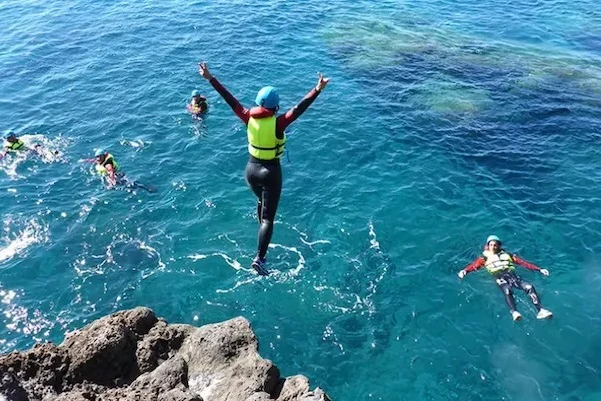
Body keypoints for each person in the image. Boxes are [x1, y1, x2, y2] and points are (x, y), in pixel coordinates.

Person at [198, 61, 330, 275]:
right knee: (269, 219)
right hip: (270, 173)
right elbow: (299, 108)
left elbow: (229, 99)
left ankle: (260, 221)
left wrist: (210, 77)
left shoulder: (246, 116)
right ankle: (260, 259)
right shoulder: (278, 123)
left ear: (258, 102)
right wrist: (318, 89)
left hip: (250, 171)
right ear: (275, 107)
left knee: (261, 202)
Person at [458, 235, 553, 321]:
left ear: (499, 246)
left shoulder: (508, 255)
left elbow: (523, 263)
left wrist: (539, 269)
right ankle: (514, 312)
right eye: (491, 245)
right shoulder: (484, 258)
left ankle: (541, 310)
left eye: (495, 245)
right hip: (499, 277)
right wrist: (465, 271)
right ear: (488, 246)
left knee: (529, 287)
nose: (493, 247)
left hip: (512, 275)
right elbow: (474, 266)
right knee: (507, 290)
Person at [91, 149, 156, 193]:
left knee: (131, 185)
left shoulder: (107, 164)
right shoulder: (101, 159)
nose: (98, 158)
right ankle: (144, 188)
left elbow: (111, 172)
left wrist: (111, 184)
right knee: (129, 185)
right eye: (97, 157)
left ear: (103, 156)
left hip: (117, 176)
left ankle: (147, 188)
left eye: (99, 156)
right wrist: (86, 160)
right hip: (119, 175)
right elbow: (96, 160)